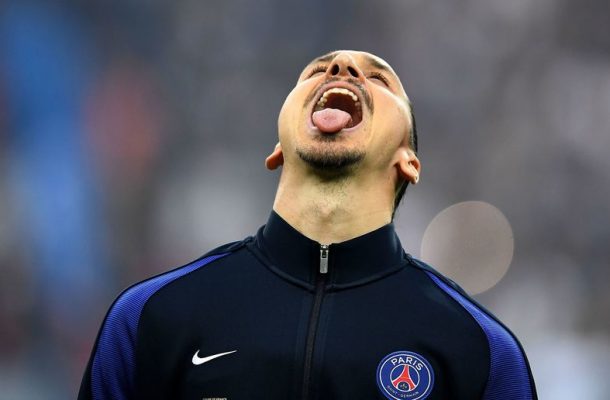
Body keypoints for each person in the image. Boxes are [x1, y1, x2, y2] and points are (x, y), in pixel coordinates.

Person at [78, 50, 537, 400]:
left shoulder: (481, 351)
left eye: (378, 78)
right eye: (318, 72)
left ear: (409, 162)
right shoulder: (149, 317)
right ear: (278, 147)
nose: (341, 69)